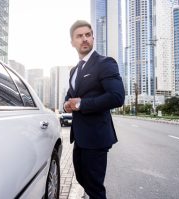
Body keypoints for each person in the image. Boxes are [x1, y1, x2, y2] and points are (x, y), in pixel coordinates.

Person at [64, 20, 125, 199]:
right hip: (80, 138)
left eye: (88, 35)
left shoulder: (105, 63)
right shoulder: (74, 71)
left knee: (95, 188)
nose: (84, 39)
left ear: (93, 38)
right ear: (72, 42)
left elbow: (116, 97)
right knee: (82, 179)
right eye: (79, 36)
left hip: (96, 137)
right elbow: (70, 95)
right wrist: (67, 104)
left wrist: (82, 104)